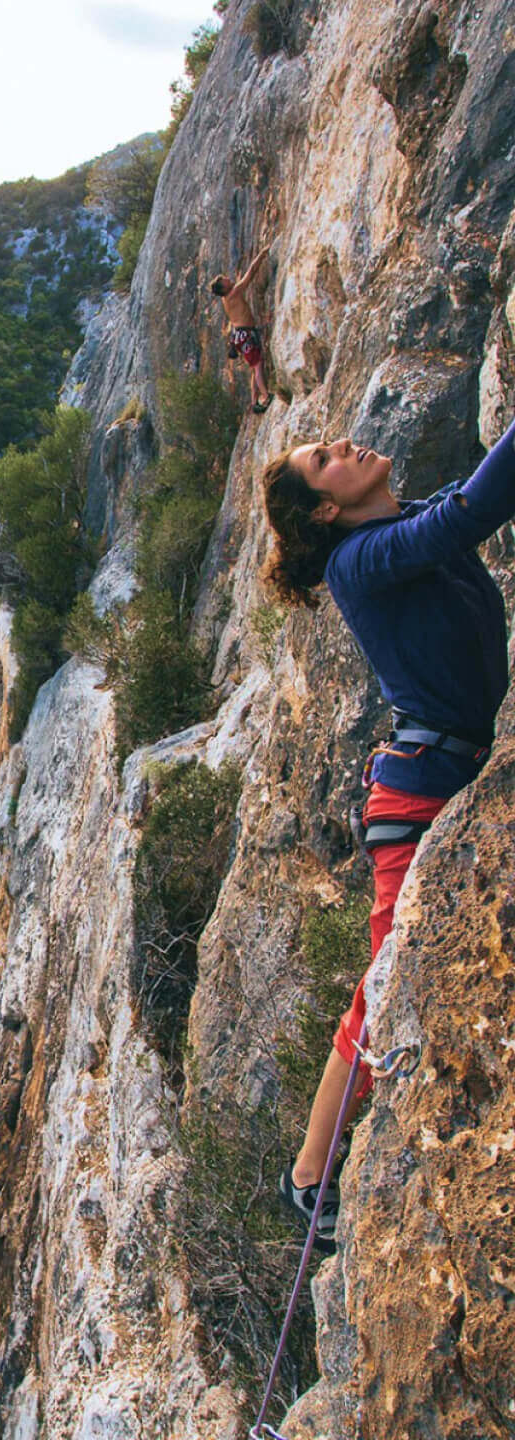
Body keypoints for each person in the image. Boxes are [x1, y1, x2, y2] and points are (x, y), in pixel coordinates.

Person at [262, 418, 515, 1251]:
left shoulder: (397, 529)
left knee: (390, 980)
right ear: (326, 512)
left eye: (330, 443)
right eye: (326, 461)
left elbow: (458, 507)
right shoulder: (357, 564)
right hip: (419, 795)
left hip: (446, 769)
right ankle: (309, 1174)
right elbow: (473, 513)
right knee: (384, 988)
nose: (345, 448)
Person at [211, 244, 273, 412]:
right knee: (258, 365)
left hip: (241, 335)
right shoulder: (234, 293)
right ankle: (266, 396)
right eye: (227, 281)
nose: (230, 280)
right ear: (224, 288)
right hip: (245, 335)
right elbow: (251, 273)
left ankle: (255, 403)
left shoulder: (227, 298)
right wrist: (262, 254)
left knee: (255, 367)